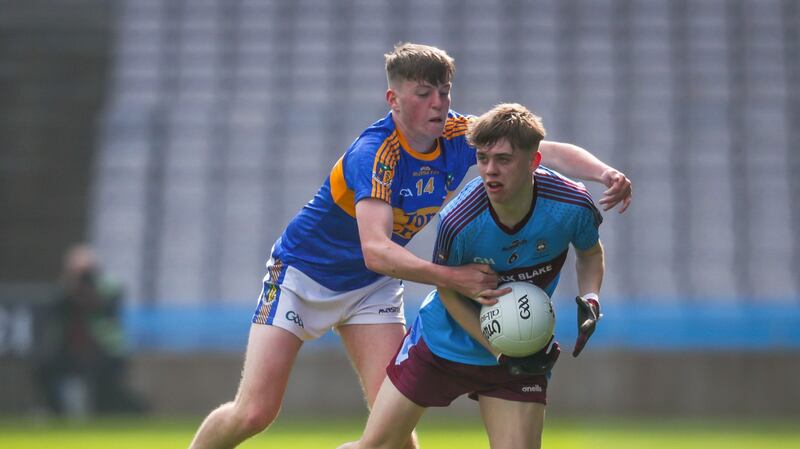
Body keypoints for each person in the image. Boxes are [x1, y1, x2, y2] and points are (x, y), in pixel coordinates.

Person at [188, 43, 627, 449]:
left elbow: (541, 150)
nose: (439, 103)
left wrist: (604, 173)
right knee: (255, 412)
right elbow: (375, 250)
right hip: (302, 277)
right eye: (423, 93)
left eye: (444, 91)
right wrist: (452, 277)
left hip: (371, 289)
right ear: (393, 101)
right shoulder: (376, 153)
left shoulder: (458, 134)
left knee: (395, 438)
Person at [339, 103, 605, 449]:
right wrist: (496, 348)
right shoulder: (459, 220)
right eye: (482, 159)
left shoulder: (572, 205)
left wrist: (591, 298)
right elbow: (447, 289)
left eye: (504, 160)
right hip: (445, 339)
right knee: (376, 447)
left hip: (521, 347)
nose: (490, 171)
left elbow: (590, 253)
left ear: (533, 162)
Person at [33, 244, 145, 416]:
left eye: (88, 272)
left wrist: (88, 291)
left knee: (107, 387)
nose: (85, 277)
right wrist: (72, 285)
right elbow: (57, 309)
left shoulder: (109, 286)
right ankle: (57, 413)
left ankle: (125, 410)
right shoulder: (67, 288)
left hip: (106, 350)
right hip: (71, 349)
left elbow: (107, 307)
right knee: (44, 368)